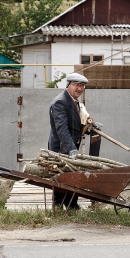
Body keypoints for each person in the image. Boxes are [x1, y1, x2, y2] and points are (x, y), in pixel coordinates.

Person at [48, 72, 101, 209]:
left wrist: (90, 127)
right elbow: (62, 129)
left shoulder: (74, 101)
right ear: (68, 85)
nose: (79, 88)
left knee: (68, 176)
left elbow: (77, 123)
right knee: (63, 176)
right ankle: (64, 204)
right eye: (76, 85)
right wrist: (71, 148)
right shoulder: (60, 102)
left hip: (70, 146)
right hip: (61, 147)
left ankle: (68, 204)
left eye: (82, 86)